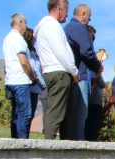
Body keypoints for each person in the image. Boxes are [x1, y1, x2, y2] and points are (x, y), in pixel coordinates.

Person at [34, 0, 80, 140]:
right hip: (59, 73)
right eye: (66, 11)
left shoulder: (47, 26)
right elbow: (61, 52)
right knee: (56, 114)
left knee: (66, 115)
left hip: (57, 73)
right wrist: (74, 72)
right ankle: (49, 150)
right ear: (59, 9)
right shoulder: (51, 25)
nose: (67, 15)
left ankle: (64, 149)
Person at [63, 4, 102, 141]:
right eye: (89, 16)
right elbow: (86, 51)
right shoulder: (78, 27)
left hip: (74, 74)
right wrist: (98, 65)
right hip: (80, 75)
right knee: (80, 113)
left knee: (74, 113)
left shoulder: (68, 28)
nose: (89, 20)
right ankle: (78, 144)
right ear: (83, 14)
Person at [3, 13, 38, 139]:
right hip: (20, 80)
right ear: (21, 23)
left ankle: (15, 140)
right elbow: (23, 61)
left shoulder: (7, 38)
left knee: (16, 114)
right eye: (25, 23)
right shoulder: (18, 39)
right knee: (25, 113)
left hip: (11, 80)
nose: (25, 26)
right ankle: (22, 142)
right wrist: (33, 77)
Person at [24, 28, 47, 137]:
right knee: (27, 114)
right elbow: (35, 69)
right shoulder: (29, 53)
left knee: (29, 114)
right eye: (34, 38)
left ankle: (25, 135)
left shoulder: (32, 51)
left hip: (34, 88)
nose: (35, 40)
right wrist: (43, 84)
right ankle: (23, 136)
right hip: (32, 87)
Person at [84, 25, 105, 141]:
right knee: (91, 124)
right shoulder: (91, 60)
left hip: (90, 96)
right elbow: (101, 83)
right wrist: (99, 71)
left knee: (88, 123)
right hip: (94, 99)